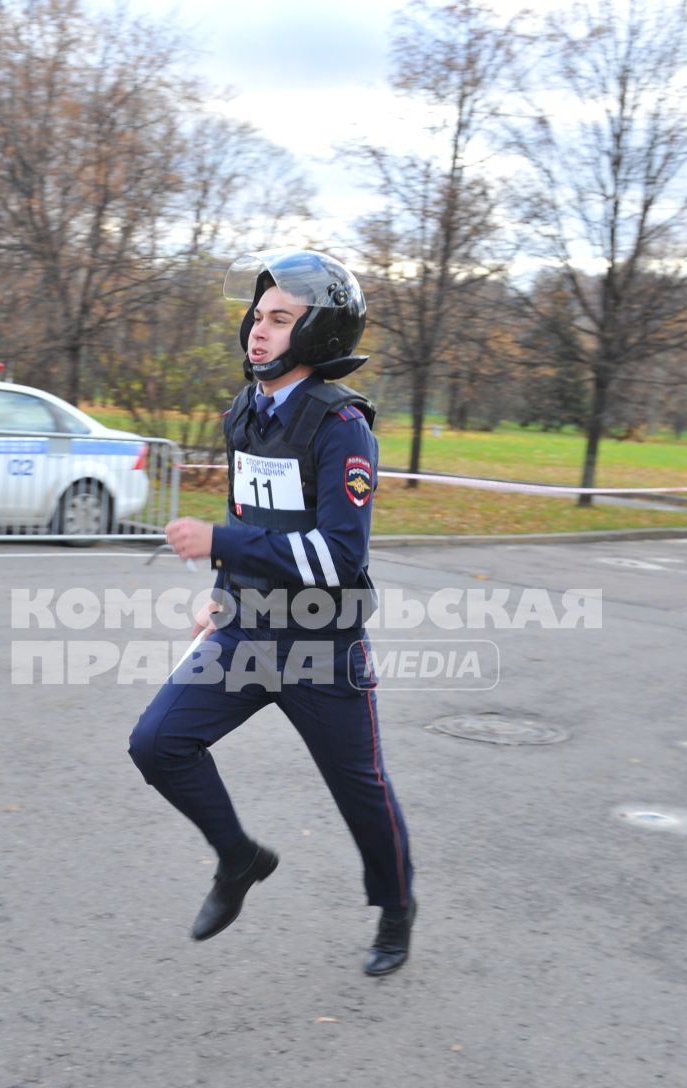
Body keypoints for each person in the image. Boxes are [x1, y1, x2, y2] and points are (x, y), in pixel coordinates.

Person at [127, 249, 416, 976]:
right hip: (248, 633)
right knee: (156, 743)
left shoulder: (341, 426)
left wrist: (220, 542)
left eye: (280, 319)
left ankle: (395, 905)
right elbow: (251, 509)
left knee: (361, 793)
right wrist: (222, 592)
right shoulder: (245, 412)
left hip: (323, 645)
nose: (258, 331)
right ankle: (239, 857)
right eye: (258, 316)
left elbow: (337, 559)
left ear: (319, 332)